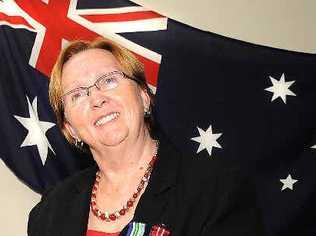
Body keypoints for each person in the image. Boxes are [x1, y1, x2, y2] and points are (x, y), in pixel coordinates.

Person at [28, 38, 265, 236]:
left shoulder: (216, 188)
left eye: (109, 80)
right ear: (70, 128)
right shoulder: (49, 213)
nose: (97, 99)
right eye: (77, 94)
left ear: (143, 97)